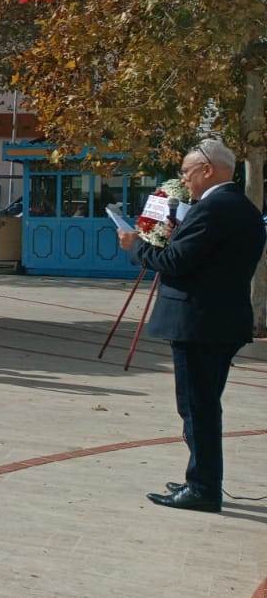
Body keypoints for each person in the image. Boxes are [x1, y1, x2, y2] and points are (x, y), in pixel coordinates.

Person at [118, 139, 265, 513]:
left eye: (186, 171)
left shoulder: (214, 208)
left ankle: (203, 488)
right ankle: (199, 478)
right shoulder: (242, 207)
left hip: (200, 322)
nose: (183, 178)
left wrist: (135, 246)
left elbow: (176, 262)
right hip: (220, 319)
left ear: (208, 170)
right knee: (201, 404)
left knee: (197, 407)